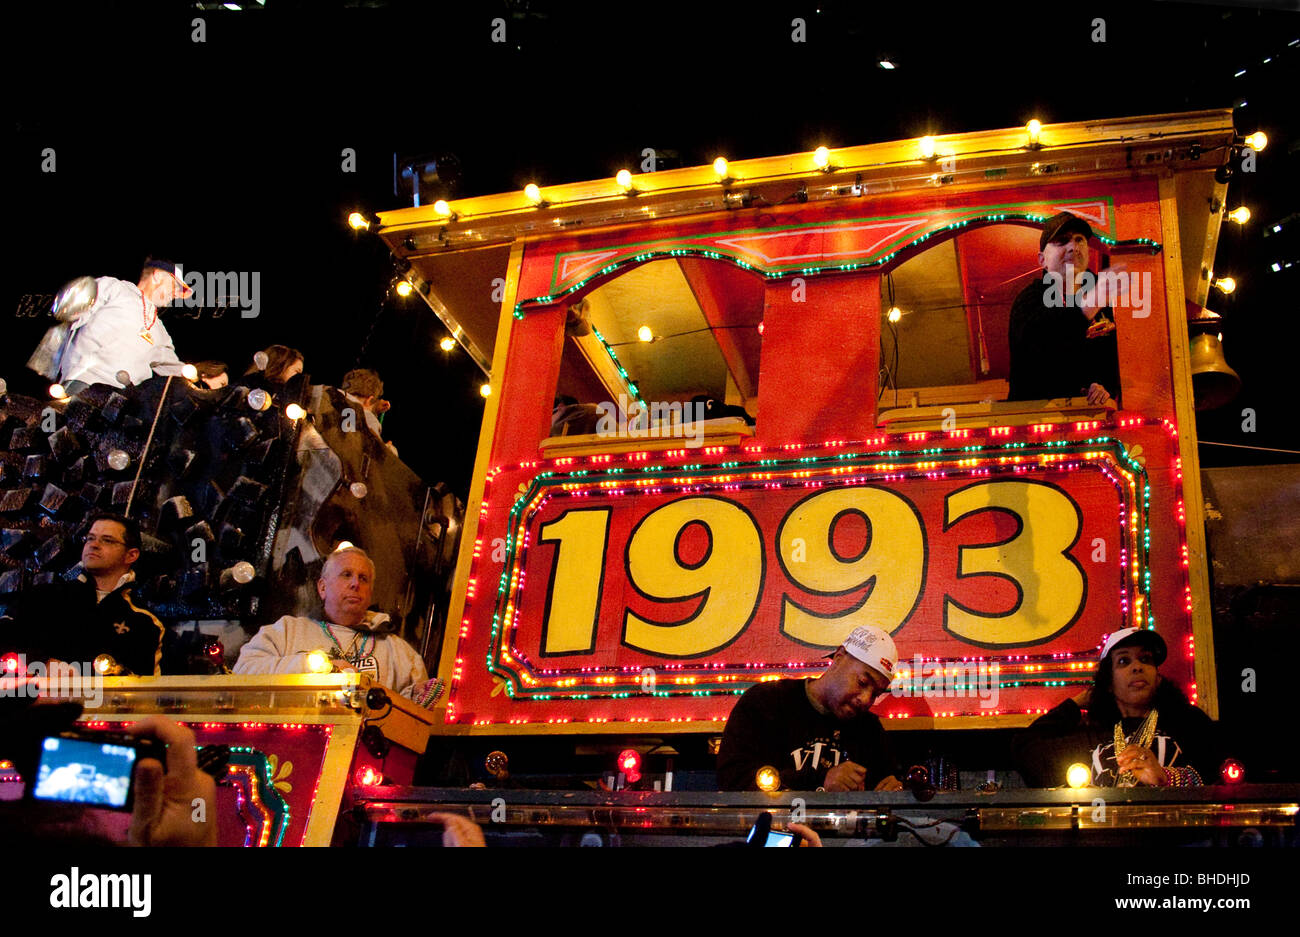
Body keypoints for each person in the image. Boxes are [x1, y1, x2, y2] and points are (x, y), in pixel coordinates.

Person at [1012, 628, 1222, 788]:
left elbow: (1217, 778)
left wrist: (1165, 777)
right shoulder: (1093, 735)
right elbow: (1024, 748)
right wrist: (1076, 704)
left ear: (1158, 677)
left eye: (1145, 659)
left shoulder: (1186, 721)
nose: (1137, 667)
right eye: (1124, 661)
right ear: (1109, 682)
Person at [717, 625, 904, 792]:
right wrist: (821, 780)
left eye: (876, 694)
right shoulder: (766, 702)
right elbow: (733, 780)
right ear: (839, 658)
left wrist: (891, 791)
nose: (865, 699)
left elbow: (888, 786)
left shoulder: (868, 729)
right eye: (862, 682)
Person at [233, 546, 429, 698]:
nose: (355, 584)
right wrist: (313, 666)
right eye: (346, 575)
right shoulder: (286, 632)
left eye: (364, 578)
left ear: (370, 593)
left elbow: (411, 718)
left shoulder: (398, 651)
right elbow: (243, 672)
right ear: (322, 587)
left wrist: (416, 696)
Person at [0, 513, 165, 676]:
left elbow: (145, 690)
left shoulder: (146, 623)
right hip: (38, 699)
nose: (94, 545)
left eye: (107, 540)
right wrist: (42, 663)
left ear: (131, 555)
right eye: (90, 538)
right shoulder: (42, 597)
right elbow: (5, 643)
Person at [1007, 212, 1121, 405]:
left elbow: (1116, 359)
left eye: (1079, 240)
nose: (1073, 247)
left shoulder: (1103, 296)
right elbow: (1038, 348)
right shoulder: (1028, 300)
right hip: (1036, 422)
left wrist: (1103, 386)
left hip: (1093, 419)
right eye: (1062, 241)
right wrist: (1084, 310)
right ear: (1042, 259)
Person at [51, 258, 193, 394]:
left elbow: (176, 369)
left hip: (125, 399)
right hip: (85, 385)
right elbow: (71, 311)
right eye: (174, 286)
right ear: (157, 276)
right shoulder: (114, 288)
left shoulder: (160, 331)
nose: (175, 294)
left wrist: (207, 379)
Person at [341, 367, 397, 454]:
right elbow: (375, 456)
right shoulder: (367, 418)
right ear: (369, 399)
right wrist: (389, 450)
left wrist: (374, 409)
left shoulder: (327, 397)